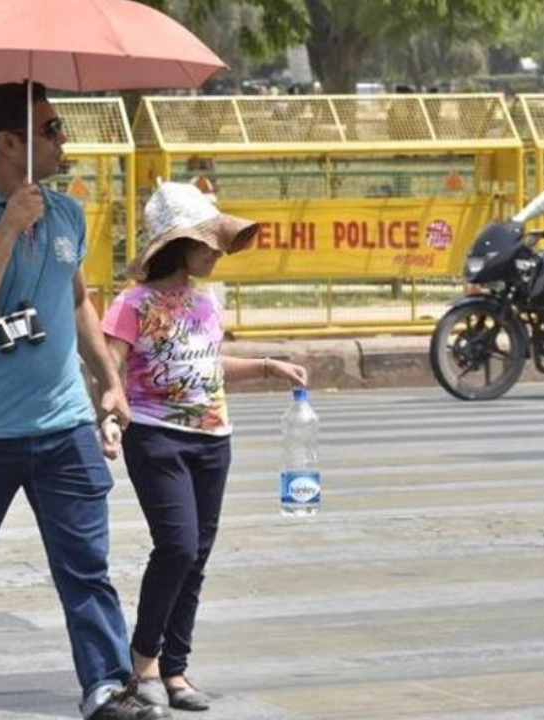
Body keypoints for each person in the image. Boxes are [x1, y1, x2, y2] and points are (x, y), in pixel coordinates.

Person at [0, 81, 167, 720]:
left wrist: (107, 379)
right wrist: (8, 225)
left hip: (64, 425)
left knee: (86, 563)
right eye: (51, 130)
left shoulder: (68, 213)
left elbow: (76, 300)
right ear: (8, 143)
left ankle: (106, 685)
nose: (63, 141)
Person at [99, 182, 308, 712]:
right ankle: (143, 658)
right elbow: (108, 370)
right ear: (179, 245)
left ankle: (176, 669)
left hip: (214, 441)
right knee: (177, 546)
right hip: (156, 439)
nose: (216, 252)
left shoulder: (205, 301)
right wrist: (108, 417)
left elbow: (207, 368)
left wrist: (267, 366)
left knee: (196, 559)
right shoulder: (132, 304)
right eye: (208, 243)